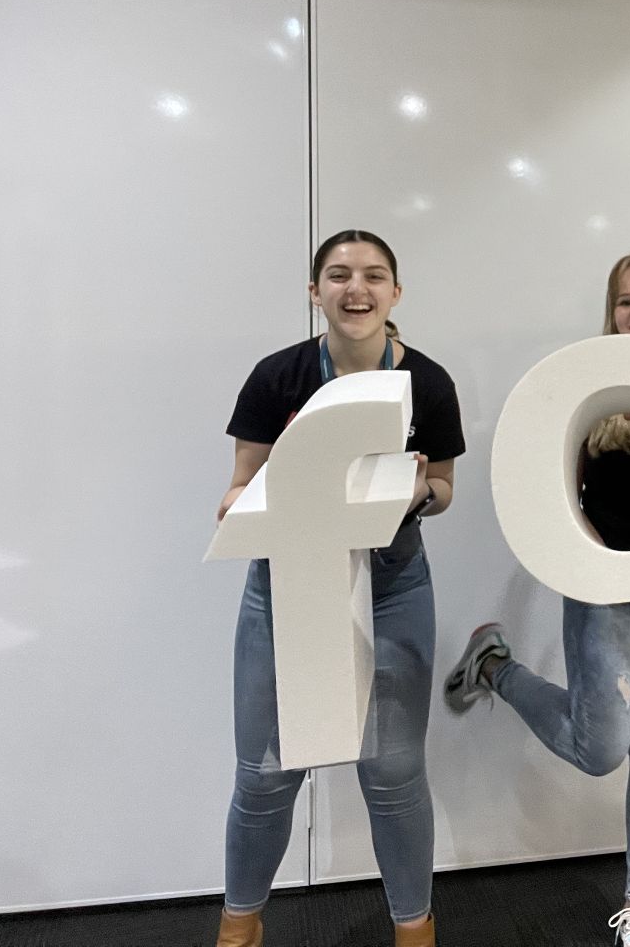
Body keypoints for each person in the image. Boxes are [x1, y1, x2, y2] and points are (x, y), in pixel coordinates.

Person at [444, 251, 630, 947]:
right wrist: (589, 551)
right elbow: (556, 499)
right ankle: (496, 666)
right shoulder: (591, 400)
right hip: (603, 586)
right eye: (624, 302)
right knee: (601, 752)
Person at [214, 230, 465, 947]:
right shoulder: (279, 377)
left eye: (374, 275)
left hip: (391, 585)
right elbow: (240, 481)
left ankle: (415, 929)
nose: (356, 288)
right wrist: (236, 504)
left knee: (391, 773)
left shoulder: (430, 382)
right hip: (287, 585)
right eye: (338, 274)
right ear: (314, 290)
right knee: (265, 777)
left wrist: (419, 490)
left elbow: (445, 489)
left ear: (396, 291)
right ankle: (239, 925)